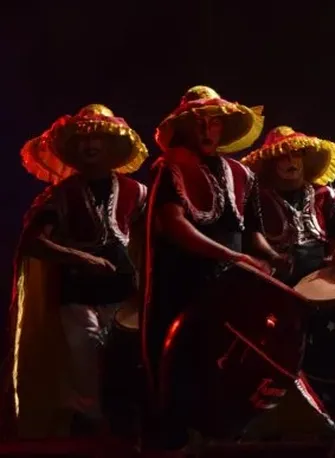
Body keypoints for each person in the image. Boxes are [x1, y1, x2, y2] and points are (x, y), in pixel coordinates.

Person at [140, 85, 282, 451]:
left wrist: (273, 258)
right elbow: (173, 224)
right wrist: (232, 257)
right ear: (185, 129)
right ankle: (171, 440)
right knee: (178, 364)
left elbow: (252, 234)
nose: (206, 132)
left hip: (229, 289)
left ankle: (221, 432)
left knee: (227, 364)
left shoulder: (241, 174)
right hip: (183, 285)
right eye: (199, 124)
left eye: (214, 124)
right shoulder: (171, 168)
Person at [2, 105, 148, 439]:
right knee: (86, 355)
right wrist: (82, 259)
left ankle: (124, 426)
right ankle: (89, 425)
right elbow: (31, 243)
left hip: (125, 294)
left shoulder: (137, 192)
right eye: (82, 139)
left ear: (112, 145)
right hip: (78, 295)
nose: (90, 144)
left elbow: (152, 241)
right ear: (72, 148)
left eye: (98, 137)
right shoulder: (59, 195)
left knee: (127, 359)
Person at [242, 126, 335, 286]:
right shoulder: (259, 198)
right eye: (283, 156)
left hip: (321, 281)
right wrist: (273, 256)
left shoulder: (324, 194)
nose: (291, 161)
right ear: (271, 163)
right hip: (277, 284)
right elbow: (252, 232)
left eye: (296, 154)